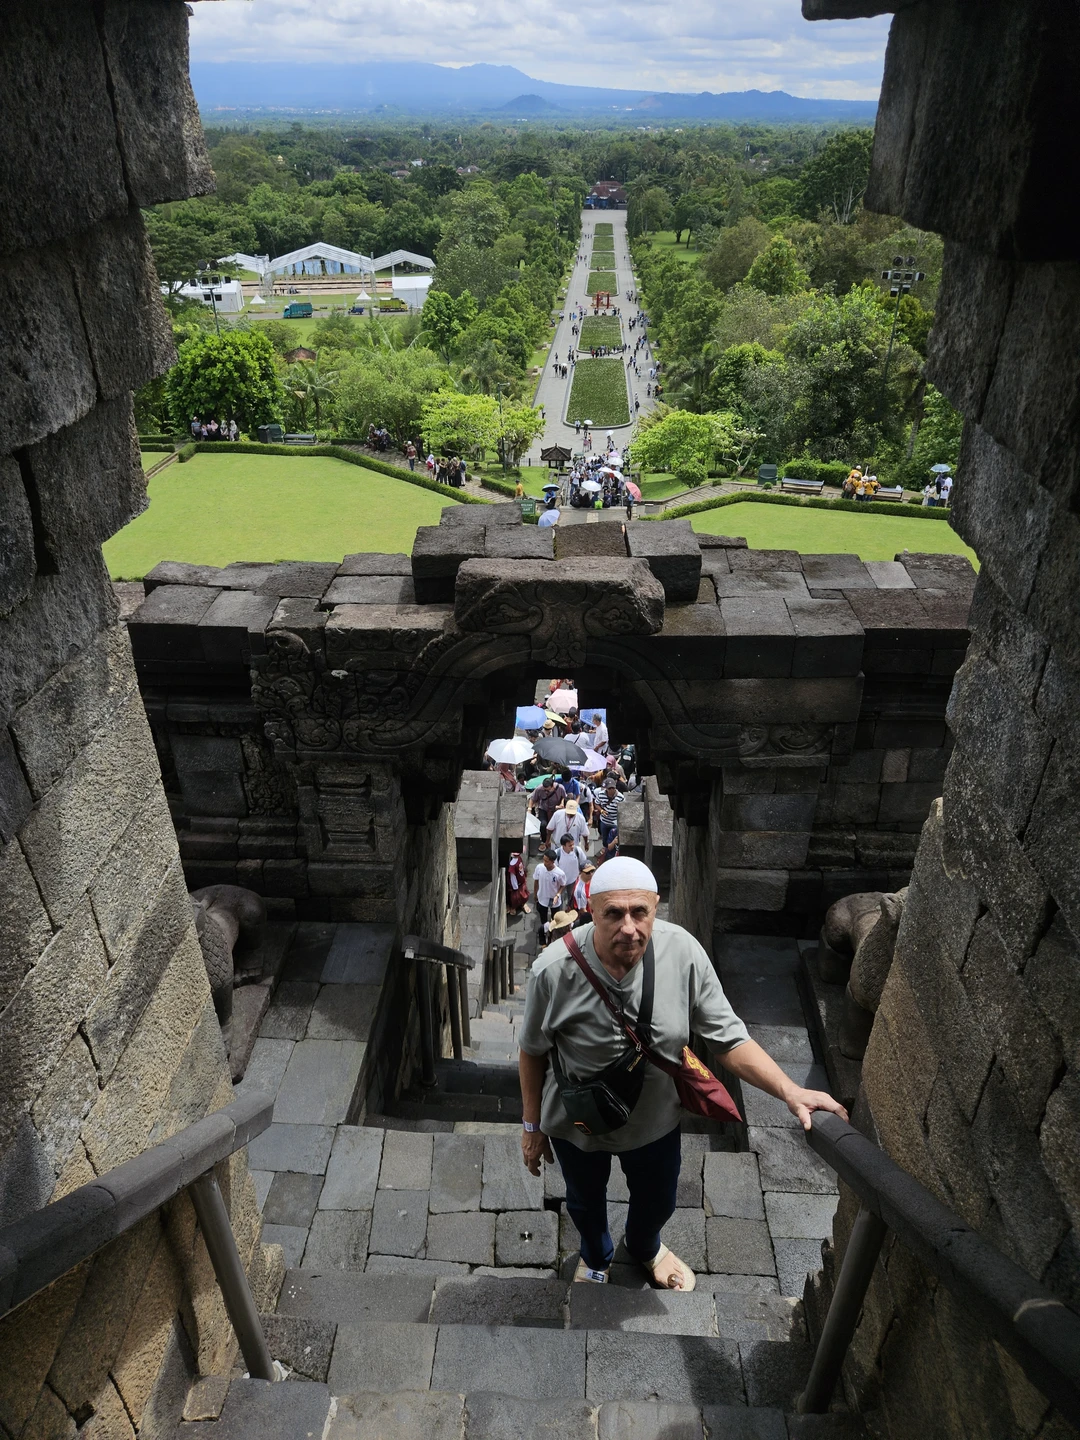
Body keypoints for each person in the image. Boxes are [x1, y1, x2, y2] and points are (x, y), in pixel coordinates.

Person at [518, 858, 848, 1287]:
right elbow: (531, 1050)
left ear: (656, 907)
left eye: (640, 913)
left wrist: (789, 1090)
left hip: (655, 1120)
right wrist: (532, 1124)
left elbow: (729, 1038)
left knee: (658, 1200)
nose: (629, 928)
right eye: (613, 914)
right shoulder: (553, 970)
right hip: (577, 1122)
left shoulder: (683, 953)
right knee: (583, 1201)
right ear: (590, 909)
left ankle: (644, 1245)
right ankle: (596, 1255)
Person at [532, 848, 567, 942]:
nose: (544, 863)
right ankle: (544, 932)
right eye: (543, 860)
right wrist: (535, 894)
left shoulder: (560, 873)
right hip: (542, 898)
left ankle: (552, 934)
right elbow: (536, 881)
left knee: (555, 919)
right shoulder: (539, 868)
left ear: (552, 862)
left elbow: (563, 885)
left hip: (554, 901)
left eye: (546, 861)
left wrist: (558, 895)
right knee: (543, 919)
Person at [531, 773, 566, 843]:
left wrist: (562, 803)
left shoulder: (561, 788)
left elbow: (564, 797)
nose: (546, 792)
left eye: (548, 790)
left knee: (556, 826)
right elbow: (532, 799)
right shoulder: (539, 789)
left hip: (555, 810)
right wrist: (529, 809)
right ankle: (544, 841)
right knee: (543, 825)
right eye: (545, 790)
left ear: (552, 786)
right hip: (543, 808)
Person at [557, 831, 589, 908]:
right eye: (570, 845)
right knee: (559, 900)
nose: (572, 847)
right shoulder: (557, 854)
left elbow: (584, 862)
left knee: (572, 899)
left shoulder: (577, 850)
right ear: (563, 846)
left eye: (573, 844)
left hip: (573, 880)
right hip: (561, 882)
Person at [597, 776, 623, 850]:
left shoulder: (620, 797)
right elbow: (596, 803)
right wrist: (601, 810)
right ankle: (605, 850)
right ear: (606, 789)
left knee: (614, 839)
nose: (611, 790)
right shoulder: (600, 794)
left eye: (613, 788)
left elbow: (623, 810)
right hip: (604, 821)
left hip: (614, 822)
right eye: (609, 789)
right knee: (604, 839)